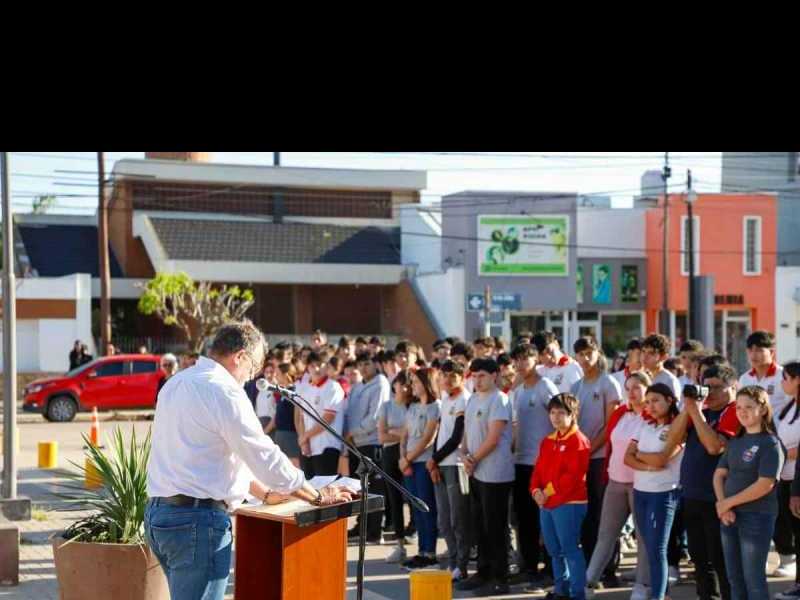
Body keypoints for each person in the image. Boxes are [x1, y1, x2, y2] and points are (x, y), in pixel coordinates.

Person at [145, 321, 352, 600]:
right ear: (239, 356)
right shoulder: (224, 390)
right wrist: (316, 496)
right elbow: (262, 454)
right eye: (253, 368)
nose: (251, 377)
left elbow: (213, 455)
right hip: (197, 521)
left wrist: (264, 493)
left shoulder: (177, 382)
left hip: (160, 516)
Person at [661, 363, 739, 600]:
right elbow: (671, 440)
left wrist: (695, 412)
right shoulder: (700, 410)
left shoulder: (735, 410)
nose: (710, 393)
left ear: (733, 387)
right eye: (706, 387)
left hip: (719, 497)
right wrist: (688, 408)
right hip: (692, 493)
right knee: (699, 560)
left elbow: (715, 446)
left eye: (717, 387)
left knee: (721, 560)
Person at [713, 385, 784, 600]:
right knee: (734, 578)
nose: (742, 412)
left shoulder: (770, 444)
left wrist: (727, 503)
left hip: (757, 517)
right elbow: (718, 475)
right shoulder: (736, 441)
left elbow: (765, 484)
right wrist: (723, 506)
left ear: (762, 409)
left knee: (753, 580)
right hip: (728, 517)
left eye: (748, 407)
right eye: (738, 407)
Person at [586, 371, 651, 598]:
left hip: (641, 485)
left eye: (636, 387)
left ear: (647, 389)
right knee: (605, 534)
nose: (631, 393)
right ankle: (588, 582)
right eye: (628, 388)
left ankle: (642, 585)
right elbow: (610, 443)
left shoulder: (653, 415)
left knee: (643, 538)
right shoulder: (621, 412)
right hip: (615, 482)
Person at [457, 358, 515, 597]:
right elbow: (467, 433)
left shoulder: (499, 399)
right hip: (475, 470)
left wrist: (474, 459)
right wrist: (465, 455)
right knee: (479, 525)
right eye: (474, 376)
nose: (477, 380)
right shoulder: (472, 398)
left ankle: (500, 576)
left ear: (494, 375)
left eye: (482, 375)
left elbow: (493, 438)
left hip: (495, 473)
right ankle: (482, 571)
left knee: (495, 526)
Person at [625, 383, 684, 600]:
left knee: (658, 548)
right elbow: (627, 457)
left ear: (670, 400)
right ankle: (663, 592)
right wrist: (648, 464)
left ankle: (658, 595)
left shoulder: (678, 427)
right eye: (648, 401)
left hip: (664, 493)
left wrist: (641, 456)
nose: (651, 406)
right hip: (640, 492)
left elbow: (662, 459)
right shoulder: (644, 424)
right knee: (649, 547)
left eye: (656, 400)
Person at [508, 343, 559, 592]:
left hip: (544, 465)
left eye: (524, 360)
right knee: (524, 519)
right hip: (521, 463)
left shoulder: (545, 387)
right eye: (516, 360)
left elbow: (562, 419)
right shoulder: (518, 391)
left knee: (546, 519)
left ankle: (550, 570)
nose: (519, 365)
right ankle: (529, 567)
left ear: (535, 360)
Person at [530, 392, 591, 600]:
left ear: (572, 415)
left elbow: (572, 477)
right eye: (552, 412)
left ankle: (577, 593)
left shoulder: (579, 441)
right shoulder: (547, 441)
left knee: (570, 549)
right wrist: (535, 491)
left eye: (561, 413)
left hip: (569, 503)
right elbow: (537, 471)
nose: (556, 417)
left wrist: (544, 493)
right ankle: (560, 590)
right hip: (547, 504)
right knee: (554, 550)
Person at [570, 336, 622, 576]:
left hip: (601, 458)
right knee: (587, 514)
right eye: (580, 354)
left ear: (598, 353)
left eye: (588, 353)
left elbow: (611, 423)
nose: (584, 358)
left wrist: (590, 449)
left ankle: (608, 568)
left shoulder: (608, 383)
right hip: (581, 458)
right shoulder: (576, 387)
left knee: (605, 514)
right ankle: (590, 566)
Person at [427, 359, 470, 581]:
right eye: (444, 375)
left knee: (458, 519)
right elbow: (441, 432)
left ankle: (461, 565)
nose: (447, 380)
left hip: (456, 464)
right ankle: (452, 560)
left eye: (453, 376)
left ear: (462, 378)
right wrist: (434, 461)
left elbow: (456, 438)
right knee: (444, 519)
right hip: (441, 464)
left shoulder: (465, 399)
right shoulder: (445, 399)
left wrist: (434, 458)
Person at [345, 352, 390, 545]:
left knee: (373, 488)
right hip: (355, 444)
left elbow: (375, 418)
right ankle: (361, 526)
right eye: (360, 364)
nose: (363, 368)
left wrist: (353, 433)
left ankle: (374, 532)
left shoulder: (380, 383)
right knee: (359, 488)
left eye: (367, 363)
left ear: (376, 364)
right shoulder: (357, 387)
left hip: (371, 443)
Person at [399, 367, 440, 569]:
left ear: (426, 383)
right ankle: (421, 551)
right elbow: (405, 435)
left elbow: (427, 439)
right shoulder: (413, 407)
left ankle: (429, 552)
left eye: (415, 381)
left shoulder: (435, 407)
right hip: (409, 462)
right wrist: (402, 458)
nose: (412, 385)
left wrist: (408, 458)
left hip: (423, 462)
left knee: (426, 508)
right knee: (416, 510)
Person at [379, 369, 411, 564]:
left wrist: (399, 433)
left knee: (413, 496)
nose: (404, 388)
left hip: (410, 453)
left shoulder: (412, 406)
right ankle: (399, 543)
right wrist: (403, 433)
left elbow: (417, 432)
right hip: (390, 453)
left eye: (407, 384)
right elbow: (382, 435)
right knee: (394, 497)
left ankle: (416, 534)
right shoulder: (386, 406)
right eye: (401, 384)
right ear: (394, 385)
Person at [773, 362, 800, 591]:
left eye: (786, 378)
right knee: (793, 531)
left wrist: (789, 453)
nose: (782, 383)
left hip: (797, 480)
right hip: (786, 477)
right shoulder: (790, 405)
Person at [297, 352, 345, 477]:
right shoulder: (306, 390)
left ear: (327, 366)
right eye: (312, 366)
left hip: (327, 447)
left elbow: (328, 418)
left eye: (319, 365)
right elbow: (302, 419)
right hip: (308, 449)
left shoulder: (333, 387)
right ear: (307, 368)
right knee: (311, 491)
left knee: (326, 490)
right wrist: (304, 442)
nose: (316, 369)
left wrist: (305, 436)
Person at [739, 330, 791, 415]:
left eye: (759, 350)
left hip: (778, 427)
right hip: (752, 427)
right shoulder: (744, 378)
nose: (753, 355)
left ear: (771, 352)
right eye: (750, 350)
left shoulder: (784, 376)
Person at [272, 363, 301, 468]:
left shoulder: (294, 391)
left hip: (291, 435)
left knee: (294, 465)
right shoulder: (282, 392)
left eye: (278, 374)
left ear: (286, 375)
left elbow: (298, 415)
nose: (275, 377)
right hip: (280, 433)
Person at [641, 333, 682, 405]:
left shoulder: (669, 380)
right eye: (643, 351)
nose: (645, 357)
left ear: (664, 357)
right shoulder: (641, 377)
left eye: (651, 353)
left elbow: (675, 411)